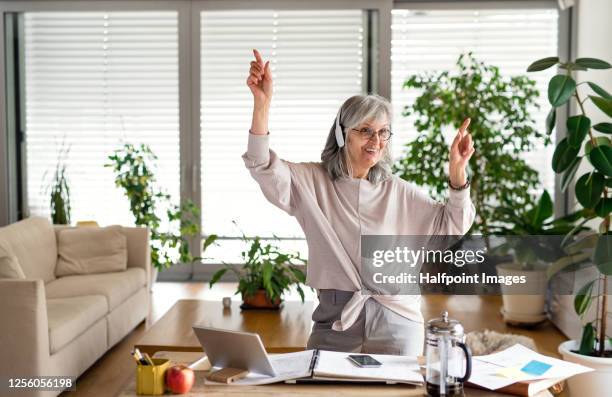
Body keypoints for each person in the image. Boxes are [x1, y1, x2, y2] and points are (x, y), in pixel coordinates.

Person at [243, 49, 476, 355]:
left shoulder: (398, 191)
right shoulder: (311, 181)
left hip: (398, 323)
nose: (376, 141)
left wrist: (457, 172)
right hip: (335, 321)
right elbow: (261, 164)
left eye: (383, 133)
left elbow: (453, 225)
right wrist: (262, 105)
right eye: (365, 131)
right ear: (342, 135)